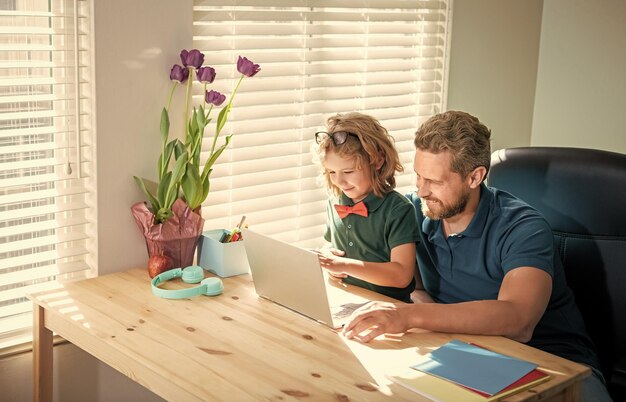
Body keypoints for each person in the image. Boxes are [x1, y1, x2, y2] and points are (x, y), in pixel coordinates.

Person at [342, 110, 612, 401]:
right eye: (419, 177)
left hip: (554, 365)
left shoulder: (524, 228)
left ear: (475, 177)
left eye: (434, 181)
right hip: (465, 351)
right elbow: (409, 280)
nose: (421, 191)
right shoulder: (414, 211)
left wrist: (411, 315)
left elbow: (519, 320)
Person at [312, 112, 420, 303]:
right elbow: (331, 244)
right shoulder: (335, 202)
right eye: (332, 172)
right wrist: (327, 255)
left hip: (388, 308)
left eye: (348, 171)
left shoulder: (398, 210)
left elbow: (402, 275)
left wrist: (343, 265)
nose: (339, 181)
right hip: (344, 299)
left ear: (377, 161)